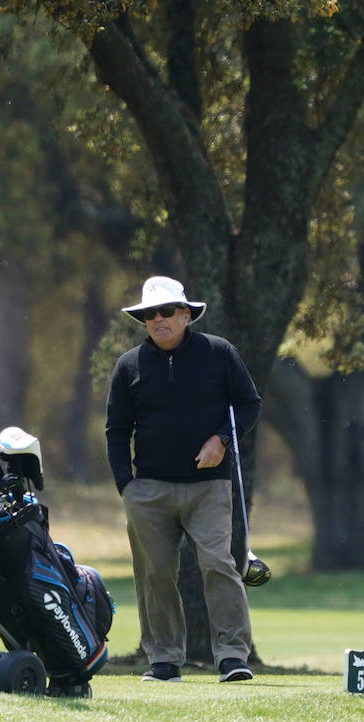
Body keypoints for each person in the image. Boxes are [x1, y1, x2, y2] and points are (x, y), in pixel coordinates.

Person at [105, 275, 262, 683]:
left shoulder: (218, 353)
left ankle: (231, 656)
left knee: (217, 564)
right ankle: (164, 660)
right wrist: (127, 486)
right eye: (149, 314)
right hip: (150, 490)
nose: (158, 320)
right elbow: (117, 429)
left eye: (167, 311)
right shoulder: (129, 366)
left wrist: (223, 441)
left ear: (186, 314)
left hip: (209, 486)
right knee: (154, 574)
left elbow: (248, 404)